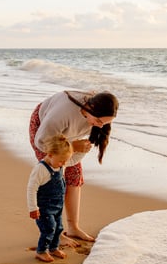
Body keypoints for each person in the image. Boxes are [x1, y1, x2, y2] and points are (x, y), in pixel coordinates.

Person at [29, 90, 119, 246]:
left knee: (74, 177)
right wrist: (72, 146)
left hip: (66, 136)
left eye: (104, 123)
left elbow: (76, 149)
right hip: (44, 132)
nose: (101, 126)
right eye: (98, 121)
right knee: (54, 182)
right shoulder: (63, 113)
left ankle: (73, 227)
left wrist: (72, 151)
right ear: (89, 108)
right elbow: (42, 142)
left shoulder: (97, 116)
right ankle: (54, 233)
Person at [27, 134, 77, 262]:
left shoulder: (60, 165)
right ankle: (41, 251)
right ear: (49, 154)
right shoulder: (41, 170)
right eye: (61, 160)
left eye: (65, 160)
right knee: (49, 228)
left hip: (57, 206)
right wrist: (33, 208)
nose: (64, 163)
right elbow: (32, 189)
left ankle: (54, 248)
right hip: (44, 207)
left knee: (59, 228)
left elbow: (72, 163)